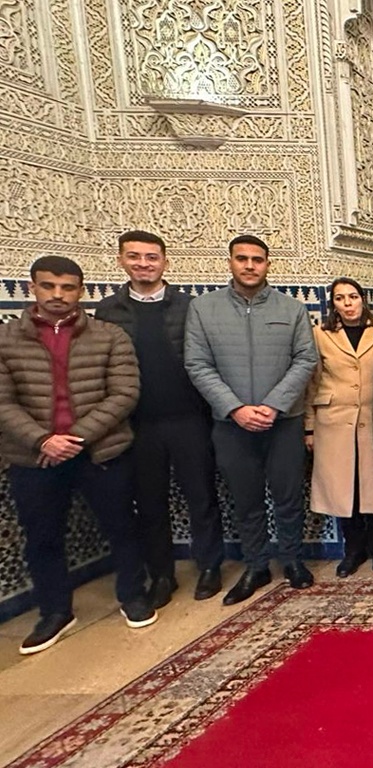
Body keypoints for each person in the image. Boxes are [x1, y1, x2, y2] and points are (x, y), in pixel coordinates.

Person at [1, 256, 156, 654]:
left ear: (80, 291)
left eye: (67, 287)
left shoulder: (109, 336)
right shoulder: (6, 339)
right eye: (48, 286)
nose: (58, 294)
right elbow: (3, 401)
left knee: (122, 525)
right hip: (35, 457)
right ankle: (55, 612)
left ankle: (133, 595)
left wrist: (76, 437)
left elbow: (124, 393)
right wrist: (42, 440)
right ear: (32, 287)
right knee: (42, 536)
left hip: (101, 450)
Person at [184, 234, 319, 605]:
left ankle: (292, 560)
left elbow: (306, 359)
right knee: (245, 500)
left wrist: (274, 405)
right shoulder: (204, 309)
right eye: (242, 258)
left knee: (289, 497)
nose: (249, 265)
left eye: (257, 259)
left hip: (284, 421)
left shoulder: (291, 309)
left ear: (267, 264)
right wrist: (235, 408)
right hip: (232, 425)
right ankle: (256, 565)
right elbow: (197, 364)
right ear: (230, 261)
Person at [95, 230, 226, 605]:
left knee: (201, 496)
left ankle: (209, 567)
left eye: (151, 257)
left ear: (165, 262)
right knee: (149, 503)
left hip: (189, 418)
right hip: (137, 423)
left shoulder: (190, 307)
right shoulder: (108, 311)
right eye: (134, 256)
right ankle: (162, 575)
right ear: (121, 260)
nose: (143, 264)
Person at [305, 278, 373, 578]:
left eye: (353, 296)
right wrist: (309, 427)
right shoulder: (320, 335)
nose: (347, 303)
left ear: (363, 299)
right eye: (340, 298)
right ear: (333, 304)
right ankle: (353, 549)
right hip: (334, 421)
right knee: (344, 489)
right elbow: (312, 382)